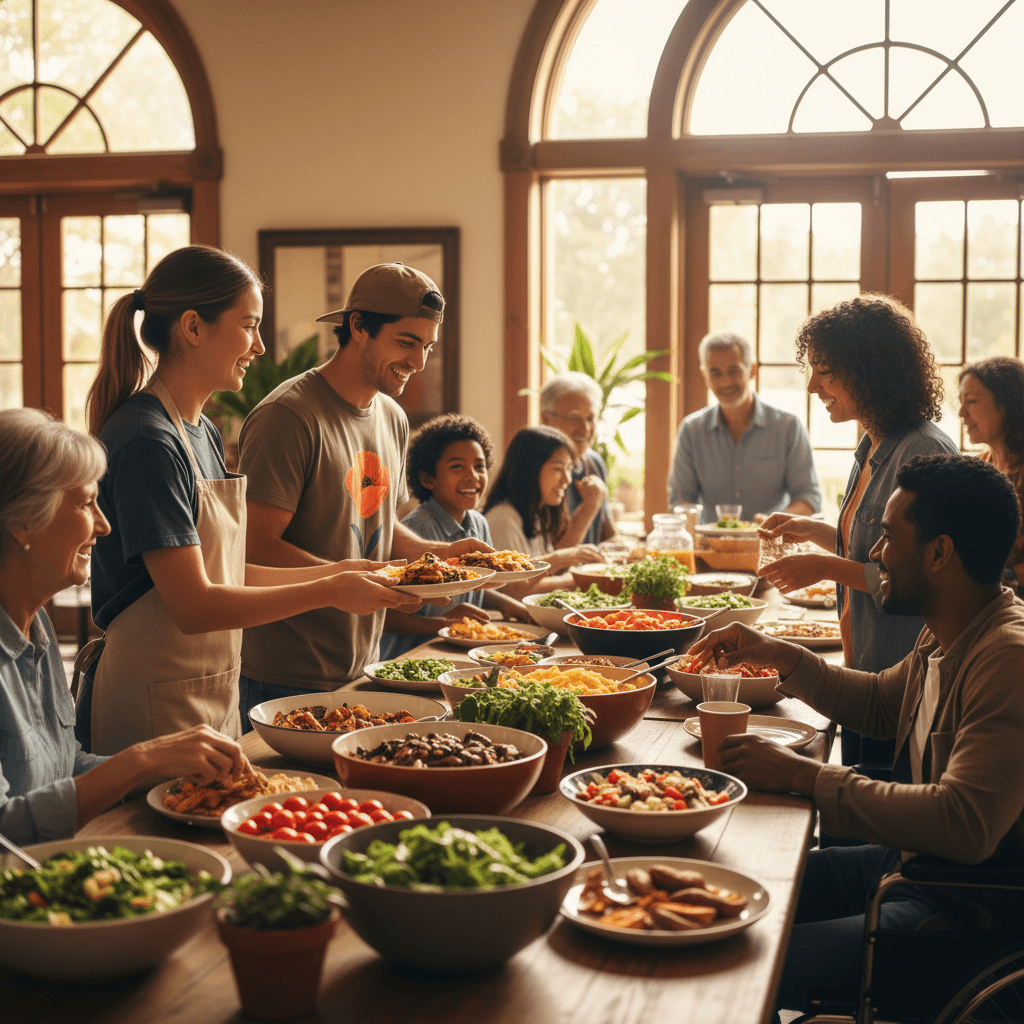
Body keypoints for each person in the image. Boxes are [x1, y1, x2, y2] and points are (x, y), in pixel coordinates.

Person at [689, 453, 1024, 1016]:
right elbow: (877, 703)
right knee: (724, 886)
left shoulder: (1006, 660)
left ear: (939, 553)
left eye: (888, 537)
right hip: (909, 866)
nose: (873, 554)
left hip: (965, 908)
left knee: (733, 957)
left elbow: (964, 824)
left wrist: (805, 776)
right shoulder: (949, 631)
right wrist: (779, 655)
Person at [80, 246, 418, 752]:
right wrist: (329, 590)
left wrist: (340, 574)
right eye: (249, 325)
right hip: (150, 703)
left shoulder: (200, 432)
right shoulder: (147, 440)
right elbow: (194, 604)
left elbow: (228, 571)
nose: (259, 346)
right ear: (193, 328)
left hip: (207, 693)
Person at [237, 263, 491, 709]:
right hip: (284, 675)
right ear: (358, 327)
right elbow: (253, 547)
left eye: (427, 346)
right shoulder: (289, 415)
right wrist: (342, 580)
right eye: (407, 342)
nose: (418, 362)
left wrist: (440, 555)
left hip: (363, 666)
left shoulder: (392, 417)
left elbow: (381, 525)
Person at [0, 408, 249, 846]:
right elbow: (6, 826)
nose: (104, 524)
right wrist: (142, 758)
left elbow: (62, 769)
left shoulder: (35, 624)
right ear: (22, 523)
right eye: (84, 503)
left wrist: (166, 763)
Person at [758, 296, 958, 766]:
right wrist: (818, 532)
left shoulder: (923, 450)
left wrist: (826, 566)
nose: (812, 386)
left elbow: (915, 577)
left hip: (901, 685)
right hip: (863, 663)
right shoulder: (872, 443)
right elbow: (875, 549)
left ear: (871, 372)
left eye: (825, 371)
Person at [378, 414, 532, 660]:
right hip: (410, 657)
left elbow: (469, 583)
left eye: (479, 466)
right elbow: (386, 614)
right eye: (457, 466)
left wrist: (505, 604)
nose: (472, 476)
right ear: (428, 478)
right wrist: (444, 623)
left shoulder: (478, 523)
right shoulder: (415, 531)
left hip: (454, 655)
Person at [667, 330, 820, 523]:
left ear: (752, 370)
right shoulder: (691, 430)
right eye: (716, 373)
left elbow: (808, 496)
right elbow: (680, 498)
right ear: (705, 375)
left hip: (773, 544)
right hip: (711, 548)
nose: (725, 382)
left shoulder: (788, 427)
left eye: (734, 371)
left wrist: (775, 523)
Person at [483, 425, 603, 599]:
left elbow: (543, 579)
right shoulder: (503, 519)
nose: (567, 480)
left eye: (569, 469)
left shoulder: (537, 514)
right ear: (530, 469)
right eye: (557, 469)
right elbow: (514, 591)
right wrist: (580, 577)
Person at [958, 356, 1024, 594]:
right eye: (961, 402)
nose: (961, 413)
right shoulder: (978, 467)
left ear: (1007, 404)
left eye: (972, 401)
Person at [539, 372, 616, 546]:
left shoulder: (594, 462)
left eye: (590, 418)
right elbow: (549, 561)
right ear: (545, 419)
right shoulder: (537, 468)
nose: (585, 428)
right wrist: (589, 506)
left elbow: (608, 535)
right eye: (574, 418)